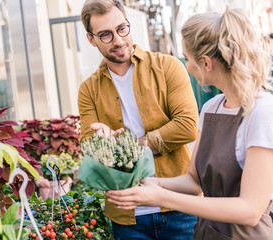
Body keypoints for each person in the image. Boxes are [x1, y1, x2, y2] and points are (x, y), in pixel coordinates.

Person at [106, 8, 273, 239]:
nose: (186, 65)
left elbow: (250, 211)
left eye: (187, 58)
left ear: (206, 63)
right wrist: (145, 183)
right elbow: (194, 182)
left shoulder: (262, 113)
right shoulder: (211, 108)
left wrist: (161, 197)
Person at [78, 0, 199, 239]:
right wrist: (99, 143)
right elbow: (88, 145)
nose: (119, 40)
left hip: (180, 207)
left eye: (122, 28)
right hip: (126, 214)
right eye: (105, 35)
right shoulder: (88, 90)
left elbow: (187, 127)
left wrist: (128, 148)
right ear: (91, 39)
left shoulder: (168, 67)